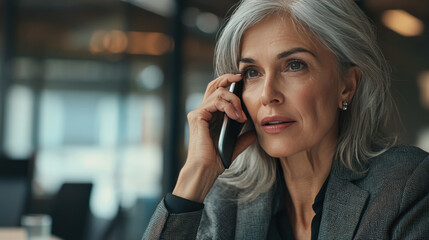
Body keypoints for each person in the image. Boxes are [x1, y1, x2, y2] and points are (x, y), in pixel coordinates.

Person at [143, 0, 429, 239]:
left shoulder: (405, 185)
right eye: (253, 72)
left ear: (347, 85)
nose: (268, 95)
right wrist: (195, 175)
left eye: (294, 66)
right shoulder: (226, 203)